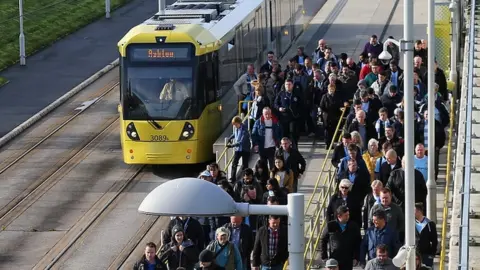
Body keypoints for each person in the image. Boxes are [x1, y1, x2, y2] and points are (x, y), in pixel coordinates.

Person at [227, 116, 251, 183]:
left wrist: (232, 145)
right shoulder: (237, 129)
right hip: (238, 149)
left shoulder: (245, 130)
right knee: (234, 164)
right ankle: (232, 178)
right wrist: (230, 138)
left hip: (245, 149)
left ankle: (246, 178)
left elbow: (241, 142)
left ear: (238, 123)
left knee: (245, 165)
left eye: (235, 124)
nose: (234, 126)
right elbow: (234, 134)